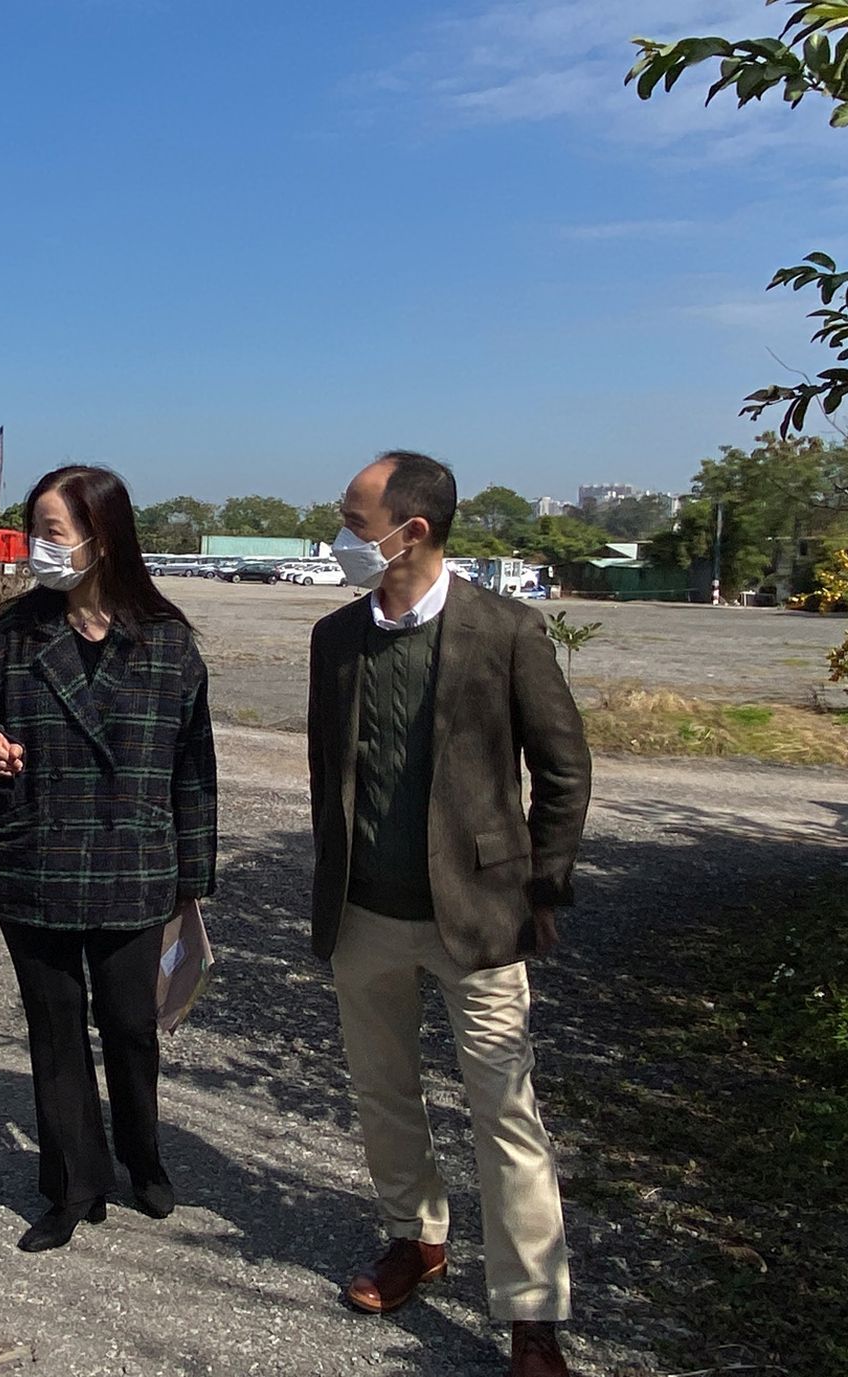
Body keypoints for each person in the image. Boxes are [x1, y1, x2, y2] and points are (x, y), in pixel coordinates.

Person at [306, 451, 592, 1377]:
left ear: (411, 531)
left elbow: (563, 769)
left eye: (355, 520)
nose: (342, 536)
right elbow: (330, 777)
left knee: (505, 1113)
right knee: (383, 1091)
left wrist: (544, 887)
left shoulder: (505, 631)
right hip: (365, 915)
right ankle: (414, 1238)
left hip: (476, 918)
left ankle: (532, 1314)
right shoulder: (335, 639)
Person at [0, 465, 217, 1253]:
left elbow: (195, 771)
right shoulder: (15, 630)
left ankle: (143, 1154)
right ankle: (72, 1185)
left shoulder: (167, 643)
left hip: (135, 867)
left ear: (102, 538)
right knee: (55, 1027)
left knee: (131, 1024)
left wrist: (191, 881)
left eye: (52, 532)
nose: (39, 547)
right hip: (35, 857)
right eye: (36, 530)